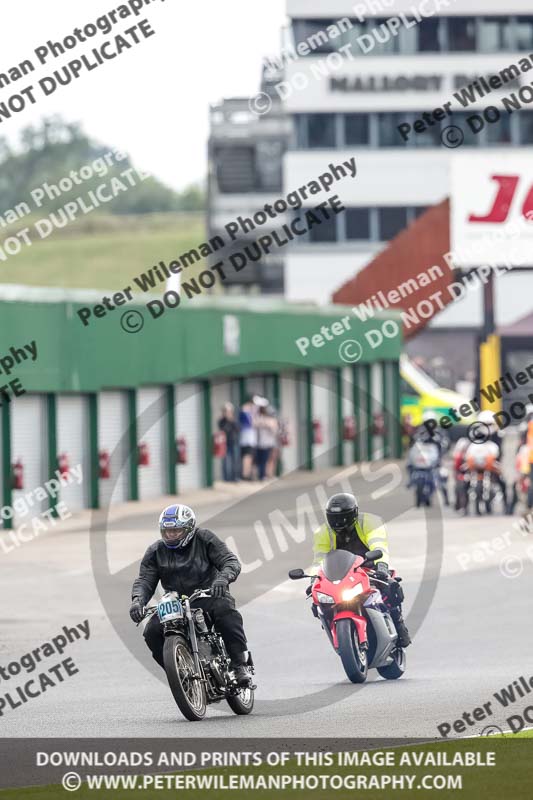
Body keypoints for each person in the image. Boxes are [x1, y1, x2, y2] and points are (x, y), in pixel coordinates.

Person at [129, 504, 253, 685]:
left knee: (225, 611)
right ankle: (178, 673)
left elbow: (230, 561)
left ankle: (239, 664)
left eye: (176, 531)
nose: (170, 535)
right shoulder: (155, 551)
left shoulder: (205, 538)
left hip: (208, 594)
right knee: (151, 631)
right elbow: (145, 581)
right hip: (175, 602)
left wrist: (222, 579)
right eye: (167, 531)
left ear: (188, 529)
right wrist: (137, 601)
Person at [311, 493, 411, 648]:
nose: (339, 522)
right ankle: (335, 629)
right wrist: (314, 580)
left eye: (343, 517)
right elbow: (319, 559)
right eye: (334, 518)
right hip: (342, 573)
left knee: (390, 587)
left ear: (353, 514)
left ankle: (398, 624)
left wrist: (382, 567)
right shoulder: (323, 532)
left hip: (369, 567)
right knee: (320, 602)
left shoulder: (370, 522)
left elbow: (379, 546)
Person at [254, 405, 278, 480]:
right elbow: (254, 425)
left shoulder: (271, 421)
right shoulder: (259, 419)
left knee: (269, 460)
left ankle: (268, 474)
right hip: (261, 443)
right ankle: (262, 475)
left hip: (269, 443)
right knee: (262, 460)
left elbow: (275, 431)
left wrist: (269, 425)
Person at [217, 403, 240, 482]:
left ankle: (235, 477)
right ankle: (226, 478)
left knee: (235, 461)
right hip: (225, 444)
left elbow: (237, 429)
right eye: (225, 411)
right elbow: (223, 430)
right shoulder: (221, 421)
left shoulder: (234, 420)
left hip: (233, 442)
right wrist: (226, 420)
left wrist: (231, 420)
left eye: (228, 411)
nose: (227, 413)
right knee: (225, 461)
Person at [238, 396, 257, 480]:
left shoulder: (250, 412)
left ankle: (248, 474)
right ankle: (245, 475)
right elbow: (250, 423)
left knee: (250, 457)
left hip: (250, 439)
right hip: (246, 439)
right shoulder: (245, 411)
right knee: (247, 457)